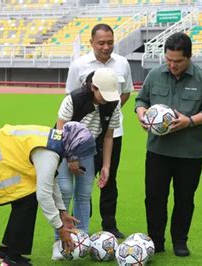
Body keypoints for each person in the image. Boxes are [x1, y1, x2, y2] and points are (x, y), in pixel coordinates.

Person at [134, 32, 202, 257]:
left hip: (190, 153)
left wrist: (189, 121)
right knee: (154, 197)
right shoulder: (154, 75)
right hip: (157, 150)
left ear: (189, 57)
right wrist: (142, 113)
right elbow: (141, 99)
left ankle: (180, 241)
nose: (172, 65)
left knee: (184, 199)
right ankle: (156, 241)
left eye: (178, 61)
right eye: (168, 60)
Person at [0, 122, 96, 266]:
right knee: (27, 200)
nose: (78, 158)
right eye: (79, 153)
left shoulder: (57, 141)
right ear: (73, 147)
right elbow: (44, 194)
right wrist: (60, 228)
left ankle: (3, 253)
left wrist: (63, 212)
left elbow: (51, 180)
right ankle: (11, 260)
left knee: (25, 200)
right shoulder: (49, 154)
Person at [65, 23, 133, 239]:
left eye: (110, 42)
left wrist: (108, 111)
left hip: (113, 132)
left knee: (109, 178)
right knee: (82, 179)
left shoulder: (122, 63)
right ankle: (80, 225)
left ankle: (109, 225)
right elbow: (71, 97)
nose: (106, 47)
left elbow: (126, 92)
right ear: (92, 43)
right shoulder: (79, 65)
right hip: (82, 137)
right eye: (101, 43)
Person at [52, 67, 121, 260]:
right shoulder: (73, 99)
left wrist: (106, 166)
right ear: (93, 87)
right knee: (64, 190)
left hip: (89, 151)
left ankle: (82, 239)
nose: (106, 99)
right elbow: (61, 129)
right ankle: (60, 241)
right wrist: (71, 158)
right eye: (102, 94)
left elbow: (108, 137)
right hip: (63, 147)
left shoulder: (113, 103)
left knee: (84, 194)